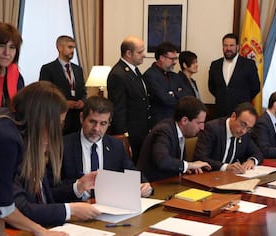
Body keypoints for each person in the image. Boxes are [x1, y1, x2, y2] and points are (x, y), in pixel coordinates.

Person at [0, 81, 72, 235]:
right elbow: (4, 208)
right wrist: (41, 231)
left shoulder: (2, 119)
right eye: (58, 124)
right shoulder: (7, 139)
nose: (57, 132)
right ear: (42, 120)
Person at [49, 96, 153, 203]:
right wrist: (77, 187)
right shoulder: (61, 146)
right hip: (75, 209)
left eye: (103, 123)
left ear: (109, 123)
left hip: (109, 207)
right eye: (92, 122)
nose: (97, 129)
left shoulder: (116, 146)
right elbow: (50, 190)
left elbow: (133, 174)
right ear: (81, 118)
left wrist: (146, 187)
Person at [137, 96, 211, 182]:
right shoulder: (164, 131)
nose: (202, 128)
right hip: (153, 186)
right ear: (184, 120)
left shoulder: (180, 132)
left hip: (170, 182)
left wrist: (186, 168)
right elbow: (162, 161)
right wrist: (189, 165)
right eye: (199, 123)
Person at [107, 36, 150, 164]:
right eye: (140, 52)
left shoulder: (134, 71)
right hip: (130, 135)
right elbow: (118, 109)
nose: (144, 55)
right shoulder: (118, 74)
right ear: (128, 53)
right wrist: (124, 138)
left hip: (140, 133)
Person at [193, 102, 263, 173]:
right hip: (209, 176)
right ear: (233, 116)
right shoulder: (212, 128)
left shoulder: (245, 134)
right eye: (243, 124)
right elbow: (201, 158)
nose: (243, 131)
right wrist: (226, 167)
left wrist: (252, 161)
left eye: (248, 128)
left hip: (231, 178)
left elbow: (258, 153)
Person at [39, 35, 87, 135]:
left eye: (74, 47)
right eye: (69, 47)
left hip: (77, 120)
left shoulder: (78, 69)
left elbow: (83, 91)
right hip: (58, 119)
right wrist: (63, 103)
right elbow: (44, 94)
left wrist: (82, 101)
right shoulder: (48, 69)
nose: (73, 50)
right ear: (59, 47)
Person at [208, 33, 260, 118]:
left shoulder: (249, 64)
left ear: (237, 47)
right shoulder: (215, 65)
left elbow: (255, 87)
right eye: (225, 45)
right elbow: (212, 87)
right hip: (220, 114)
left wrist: (241, 99)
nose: (228, 48)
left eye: (231, 45)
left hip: (241, 113)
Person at [143, 42, 194, 128]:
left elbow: (188, 94)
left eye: (175, 59)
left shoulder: (174, 76)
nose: (175, 62)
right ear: (162, 58)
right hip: (159, 123)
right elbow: (164, 99)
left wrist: (172, 94)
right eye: (172, 59)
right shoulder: (150, 75)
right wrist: (177, 94)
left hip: (176, 122)